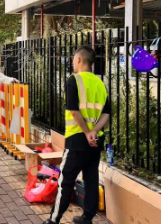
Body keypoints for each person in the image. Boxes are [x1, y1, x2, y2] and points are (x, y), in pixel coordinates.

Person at [42, 46, 111, 224]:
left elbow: (73, 111)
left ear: (79, 59)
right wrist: (94, 132)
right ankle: (87, 218)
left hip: (76, 141)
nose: (72, 62)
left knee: (65, 181)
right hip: (95, 141)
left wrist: (87, 131)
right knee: (91, 180)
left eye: (73, 59)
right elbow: (106, 114)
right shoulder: (100, 83)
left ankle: (53, 220)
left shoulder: (74, 80)